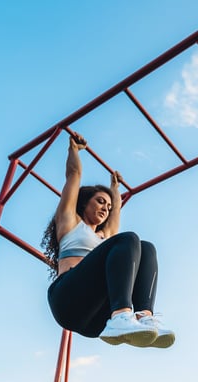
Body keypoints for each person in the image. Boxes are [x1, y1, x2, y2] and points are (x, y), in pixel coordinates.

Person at [42, 133, 175, 348]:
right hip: (67, 300)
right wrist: (74, 150)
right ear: (84, 204)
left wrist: (115, 189)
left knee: (146, 247)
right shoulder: (69, 222)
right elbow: (73, 175)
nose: (105, 208)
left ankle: (144, 317)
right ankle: (121, 315)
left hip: (94, 320)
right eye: (100, 202)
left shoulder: (105, 237)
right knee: (128, 239)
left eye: (109, 206)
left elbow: (116, 212)